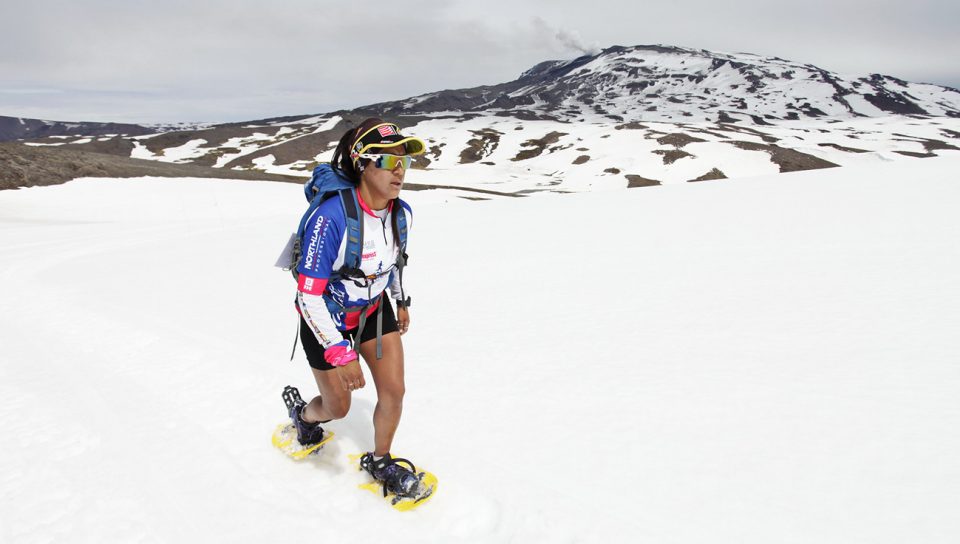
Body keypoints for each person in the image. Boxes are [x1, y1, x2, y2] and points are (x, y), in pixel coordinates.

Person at [285, 118, 425, 497]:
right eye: (388, 160)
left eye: (404, 162)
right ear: (362, 163)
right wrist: (339, 351)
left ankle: (381, 460)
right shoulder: (330, 219)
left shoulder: (401, 213)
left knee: (394, 391)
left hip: (374, 311)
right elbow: (307, 295)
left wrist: (400, 300)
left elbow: (394, 262)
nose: (399, 170)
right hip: (326, 319)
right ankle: (303, 417)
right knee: (338, 408)